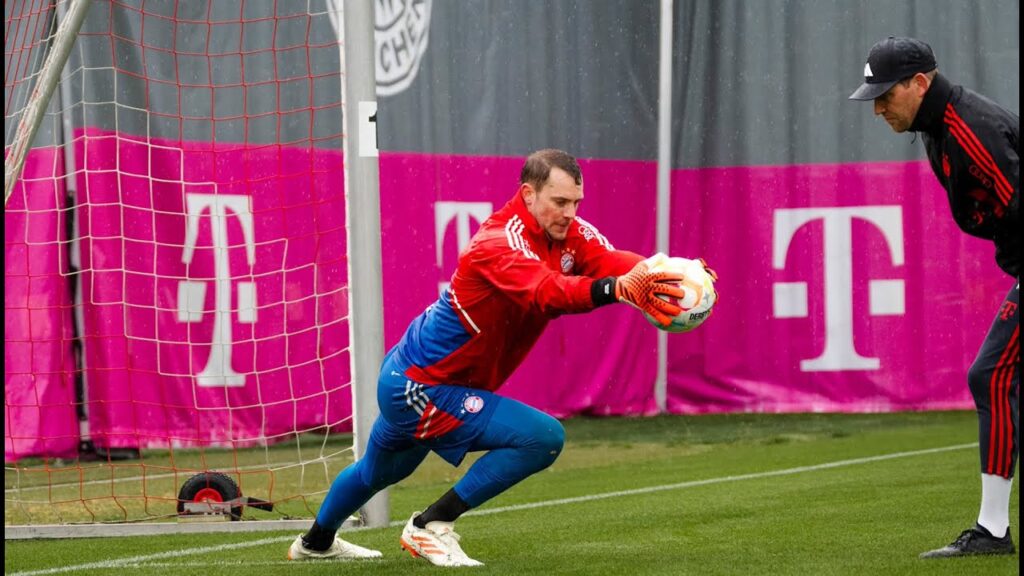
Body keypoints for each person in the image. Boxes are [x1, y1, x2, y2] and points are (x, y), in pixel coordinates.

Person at [286, 149, 700, 566]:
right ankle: (431, 524)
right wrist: (619, 289)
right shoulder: (498, 242)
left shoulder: (565, 230)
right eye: (559, 202)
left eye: (576, 202)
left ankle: (315, 543)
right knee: (542, 438)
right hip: (421, 387)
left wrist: (660, 273)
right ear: (528, 194)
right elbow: (547, 292)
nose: (570, 212)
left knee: (379, 473)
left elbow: (609, 261)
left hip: (411, 377)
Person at [850, 36, 1019, 559]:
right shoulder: (935, 123)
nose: (877, 107)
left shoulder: (973, 132)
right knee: (994, 378)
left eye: (885, 94)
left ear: (920, 82)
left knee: (991, 376)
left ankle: (992, 533)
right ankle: (992, 530)